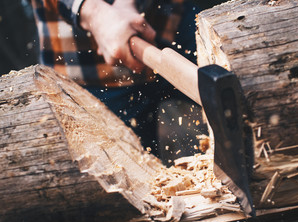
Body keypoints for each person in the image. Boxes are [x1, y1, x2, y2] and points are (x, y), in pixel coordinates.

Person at [30, 0, 205, 161]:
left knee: (224, 91)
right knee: (123, 173)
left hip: (172, 20)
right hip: (84, 69)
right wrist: (95, 12)